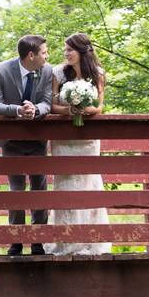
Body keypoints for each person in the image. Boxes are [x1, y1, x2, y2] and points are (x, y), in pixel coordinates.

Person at [46, 33, 112, 255]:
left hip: (87, 140)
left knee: (88, 183)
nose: (65, 54)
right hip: (64, 139)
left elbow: (99, 107)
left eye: (69, 50)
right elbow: (53, 105)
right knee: (64, 184)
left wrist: (84, 109)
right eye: (64, 50)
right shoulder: (58, 73)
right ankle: (65, 241)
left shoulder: (98, 74)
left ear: (82, 52)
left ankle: (90, 239)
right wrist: (69, 110)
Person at [0, 34, 54, 256]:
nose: (47, 56)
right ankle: (16, 241)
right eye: (44, 52)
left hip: (36, 138)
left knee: (40, 189)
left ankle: (38, 241)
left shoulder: (47, 70)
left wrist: (36, 110)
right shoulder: (1, 70)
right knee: (16, 191)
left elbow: (47, 102)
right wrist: (17, 110)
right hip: (10, 140)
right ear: (31, 55)